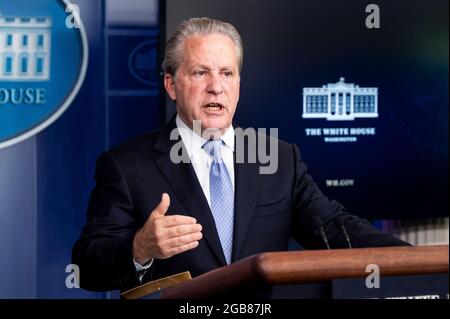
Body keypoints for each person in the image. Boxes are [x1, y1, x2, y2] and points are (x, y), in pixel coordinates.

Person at [72, 17, 408, 292]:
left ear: (238, 85)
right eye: (200, 72)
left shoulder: (278, 159)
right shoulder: (127, 165)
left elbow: (335, 228)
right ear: (171, 85)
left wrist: (418, 260)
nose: (215, 86)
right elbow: (87, 268)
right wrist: (139, 249)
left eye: (227, 73)